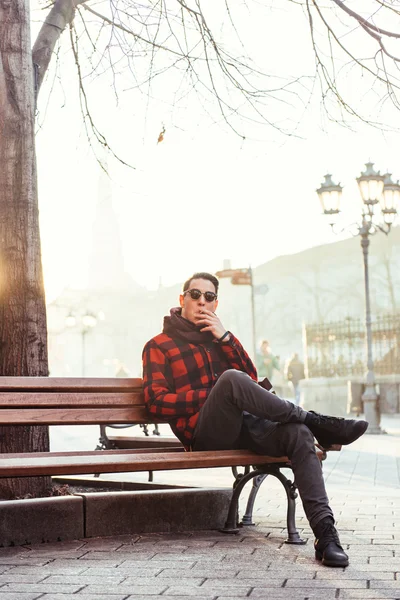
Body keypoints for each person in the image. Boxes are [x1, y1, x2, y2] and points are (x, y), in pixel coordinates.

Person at [142, 272, 369, 568]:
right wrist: (212, 394)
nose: (201, 302)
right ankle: (317, 421)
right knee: (230, 381)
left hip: (250, 427)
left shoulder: (220, 339)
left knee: (298, 432)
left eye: (209, 297)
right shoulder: (159, 345)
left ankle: (326, 536)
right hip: (206, 433)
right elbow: (156, 404)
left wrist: (226, 338)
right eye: (194, 295)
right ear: (182, 299)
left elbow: (253, 383)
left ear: (216, 304)